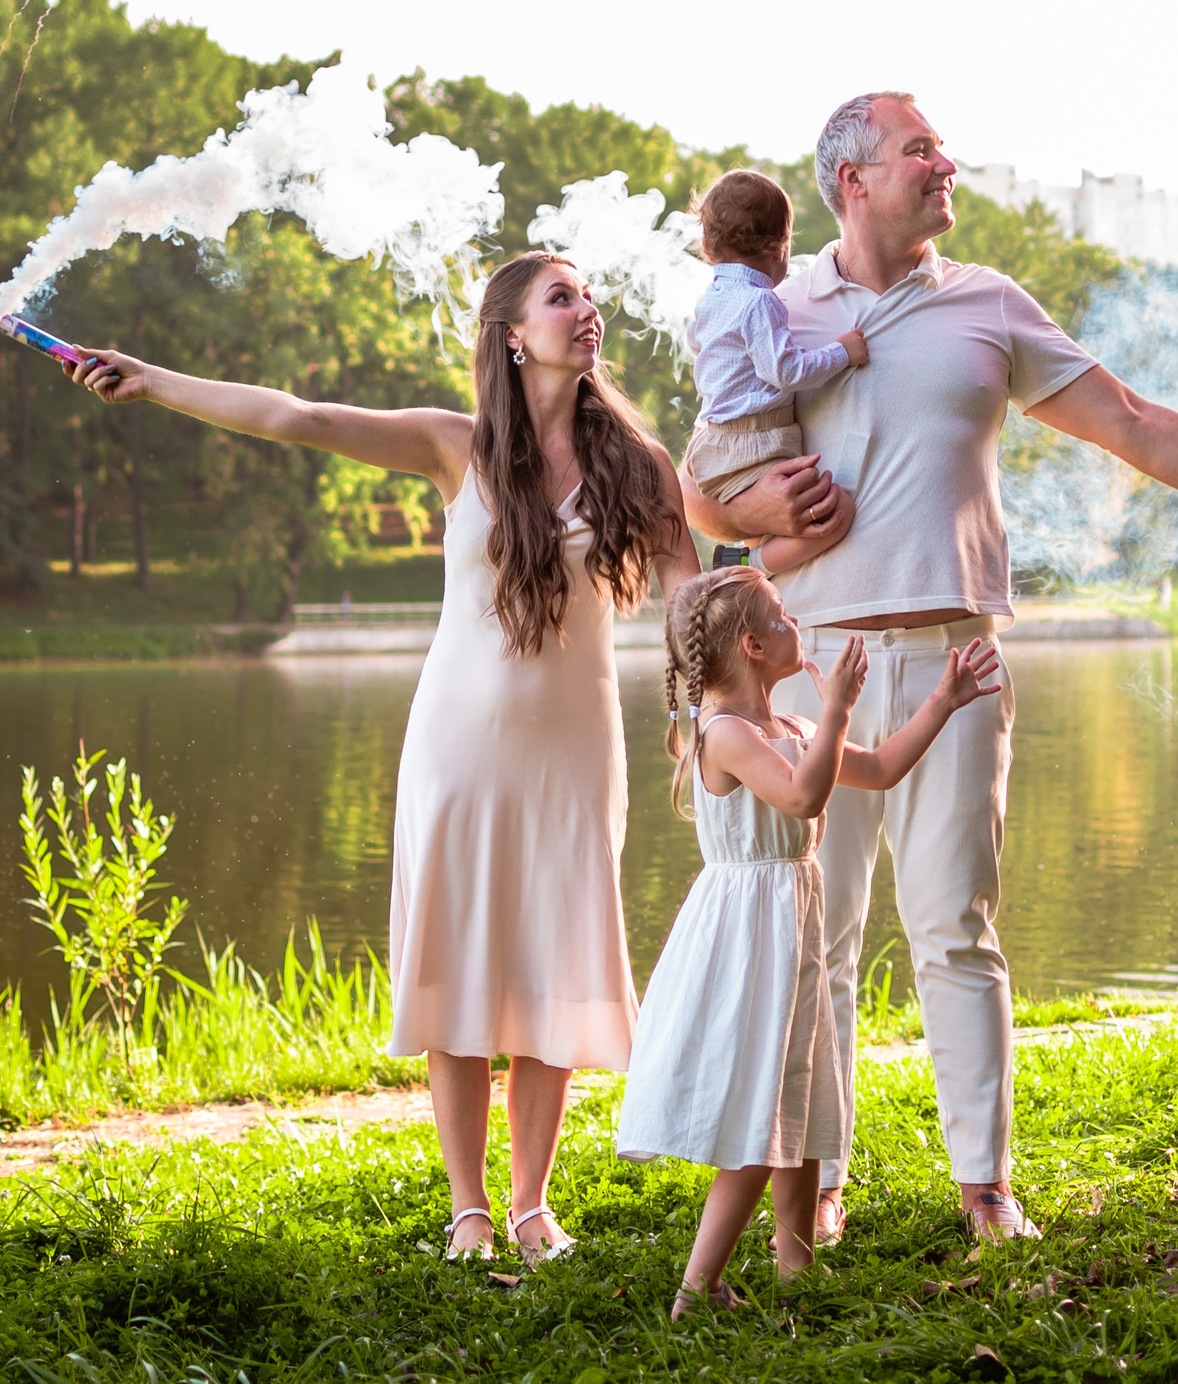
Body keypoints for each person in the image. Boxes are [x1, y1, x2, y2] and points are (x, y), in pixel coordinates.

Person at [682, 92, 1178, 1246]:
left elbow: (1135, 423)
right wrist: (755, 509)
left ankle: (985, 1185)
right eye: (918, 150)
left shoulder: (987, 306)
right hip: (804, 674)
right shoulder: (776, 307)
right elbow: (705, 481)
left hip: (956, 663)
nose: (944, 163)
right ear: (852, 181)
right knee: (816, 938)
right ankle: (821, 1179)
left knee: (955, 926)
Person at [61, 251, 698, 1265]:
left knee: (551, 967)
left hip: (576, 756)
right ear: (511, 333)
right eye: (562, 297)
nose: (588, 311)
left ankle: (531, 1207)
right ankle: (469, 1210)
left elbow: (686, 593)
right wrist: (153, 380)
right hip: (458, 749)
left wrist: (701, 705)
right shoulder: (452, 448)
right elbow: (298, 417)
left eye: (589, 295)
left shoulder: (637, 464)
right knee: (459, 967)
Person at [614, 565, 1001, 1315]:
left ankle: (798, 1265)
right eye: (786, 618)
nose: (800, 626)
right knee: (763, 1119)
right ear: (754, 646)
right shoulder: (725, 734)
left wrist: (942, 703)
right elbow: (802, 794)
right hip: (749, 939)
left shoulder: (784, 729)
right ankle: (698, 1286)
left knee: (802, 1100)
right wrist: (838, 712)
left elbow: (882, 770)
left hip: (789, 929)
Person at [681, 170, 867, 520]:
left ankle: (758, 554)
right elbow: (786, 371)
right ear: (779, 248)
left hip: (711, 443)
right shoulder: (759, 302)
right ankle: (763, 561)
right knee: (833, 510)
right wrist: (843, 352)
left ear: (707, 247)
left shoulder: (711, 298)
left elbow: (697, 342)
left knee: (768, 515)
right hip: (754, 445)